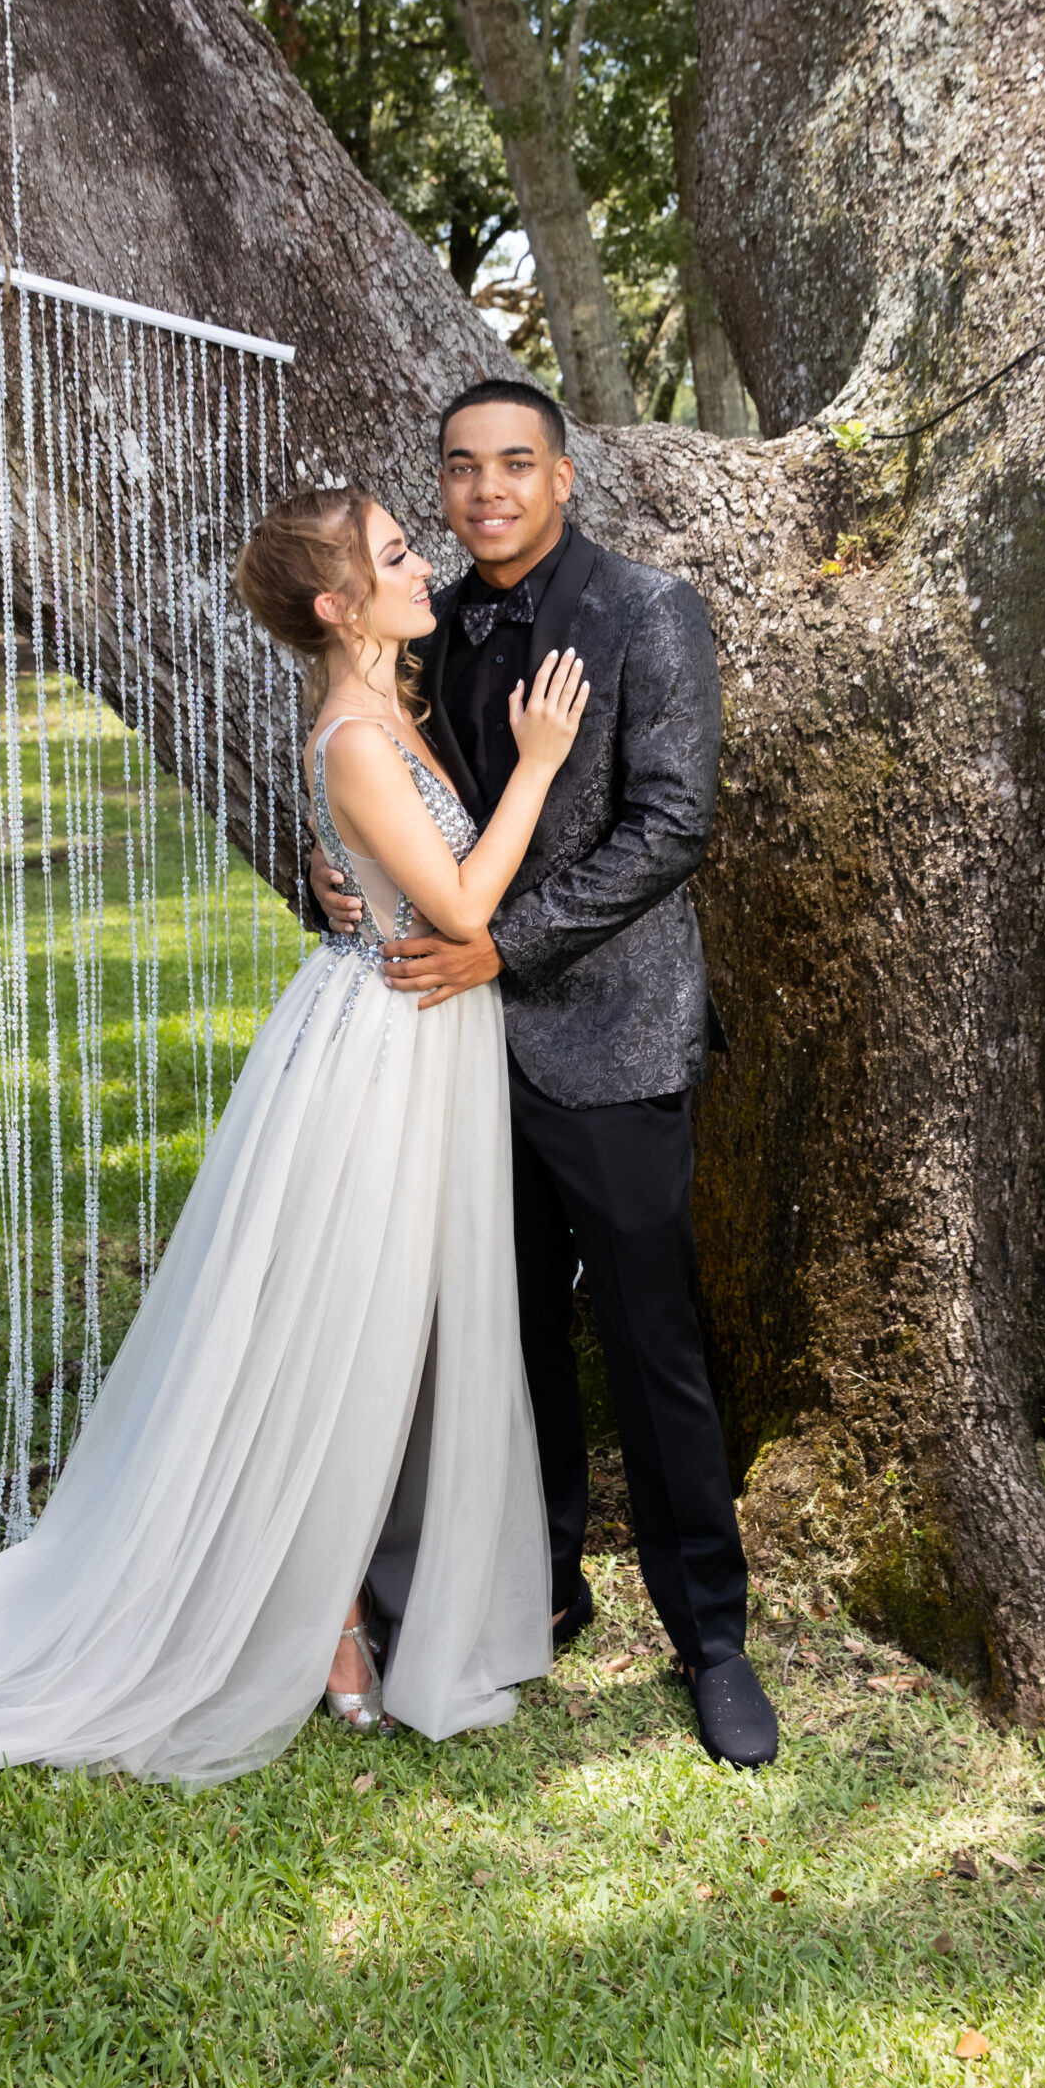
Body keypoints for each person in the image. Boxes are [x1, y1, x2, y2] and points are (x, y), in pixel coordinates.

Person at [0, 486, 587, 1787]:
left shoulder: (398, 698)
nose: (422, 564)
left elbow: (387, 876)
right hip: (382, 1054)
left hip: (420, 1040)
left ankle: (387, 1596)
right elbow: (453, 906)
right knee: (335, 1336)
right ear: (337, 605)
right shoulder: (349, 730)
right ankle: (329, 1629)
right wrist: (544, 765)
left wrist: (360, 873)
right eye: (393, 555)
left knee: (402, 1337)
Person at [310, 379, 778, 1770]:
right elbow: (392, 806)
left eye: (517, 465)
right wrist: (333, 885)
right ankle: (540, 1583)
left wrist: (494, 951)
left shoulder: (649, 612)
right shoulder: (429, 621)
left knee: (652, 1346)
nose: (487, 491)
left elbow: (671, 827)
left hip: (617, 1042)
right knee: (501, 1340)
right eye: (461, 470)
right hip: (452, 1065)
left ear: (563, 479)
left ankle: (713, 1641)